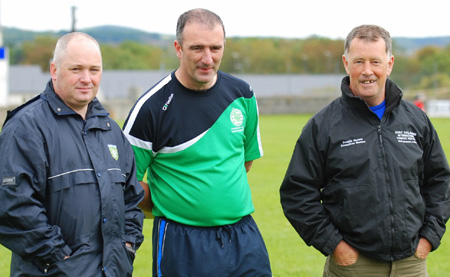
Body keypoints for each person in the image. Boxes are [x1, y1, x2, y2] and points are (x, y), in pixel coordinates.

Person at [280, 25, 450, 276]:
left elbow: (440, 180)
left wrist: (429, 237)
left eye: (375, 61)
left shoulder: (416, 120)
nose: (367, 71)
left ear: (389, 64)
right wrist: (334, 245)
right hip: (353, 265)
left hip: (411, 264)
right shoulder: (324, 125)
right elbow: (297, 192)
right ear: (346, 63)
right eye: (359, 61)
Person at [122, 8, 271, 277]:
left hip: (243, 234)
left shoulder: (243, 94)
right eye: (197, 48)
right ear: (178, 48)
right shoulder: (151, 107)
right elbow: (124, 182)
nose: (207, 58)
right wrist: (172, 202)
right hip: (183, 240)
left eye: (215, 48)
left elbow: (244, 162)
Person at [0, 32, 145, 276]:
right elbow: (13, 207)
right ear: (54, 70)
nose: (86, 79)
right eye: (76, 69)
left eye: (94, 70)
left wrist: (127, 247)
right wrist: (60, 257)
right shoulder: (26, 128)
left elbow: (131, 200)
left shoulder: (111, 131)